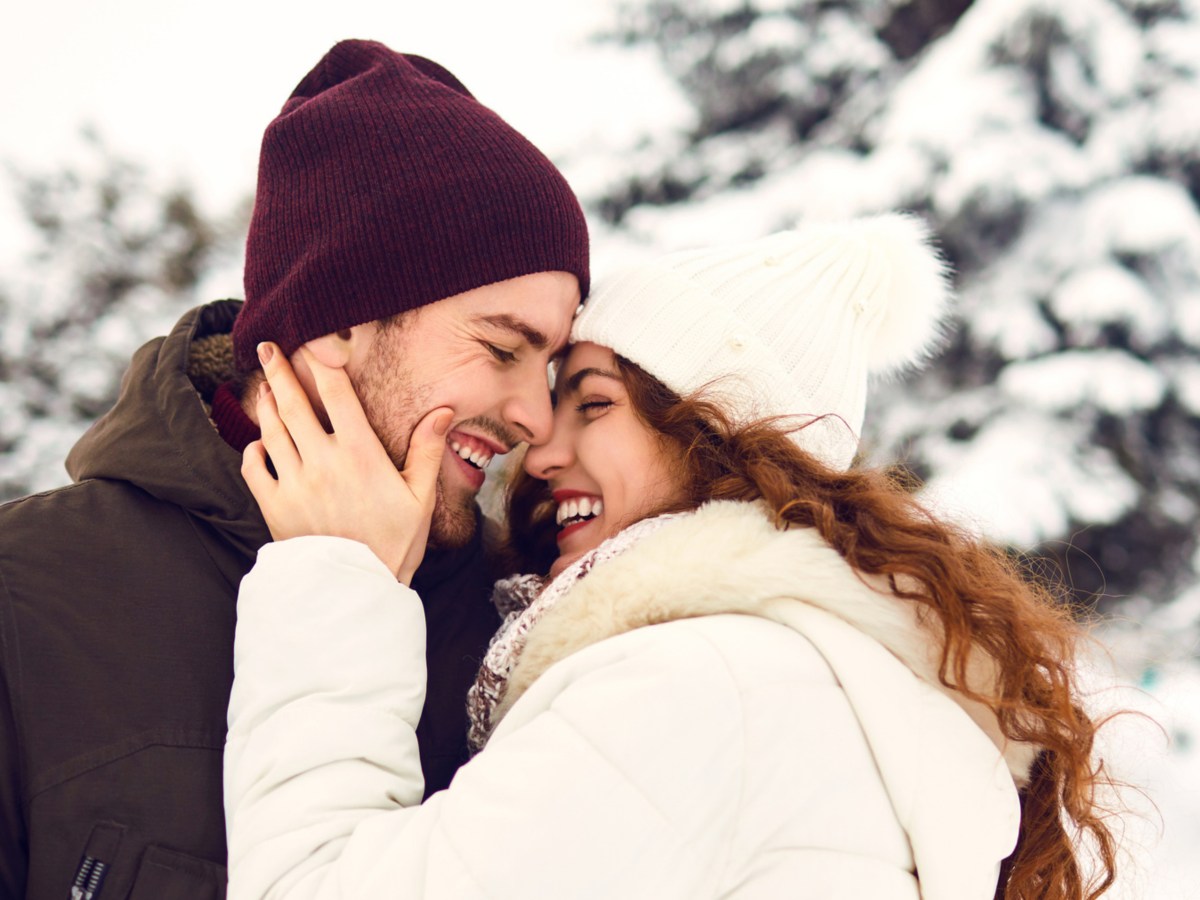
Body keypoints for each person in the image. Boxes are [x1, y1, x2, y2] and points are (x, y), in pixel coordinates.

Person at [226, 214, 1119, 899]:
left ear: (723, 444)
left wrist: (335, 574)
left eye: (595, 402)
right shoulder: (813, 677)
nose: (538, 452)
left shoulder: (700, 685)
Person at [0, 39, 588, 900]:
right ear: (338, 321)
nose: (536, 418)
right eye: (502, 346)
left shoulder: (528, 621)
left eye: (552, 365)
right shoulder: (30, 596)